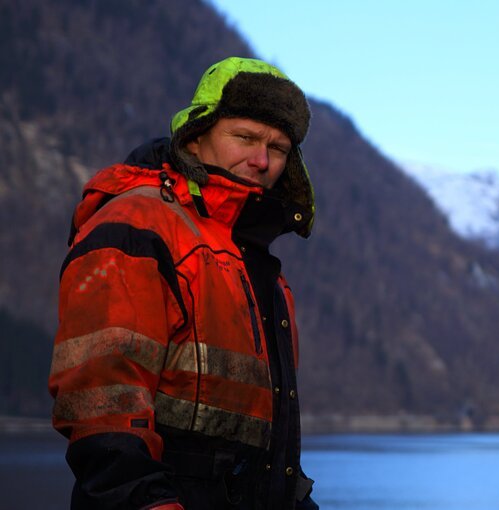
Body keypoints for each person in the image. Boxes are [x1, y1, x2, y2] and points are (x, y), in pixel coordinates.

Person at [49, 57, 319, 509]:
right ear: (195, 138)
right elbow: (103, 407)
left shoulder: (260, 268)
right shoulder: (138, 226)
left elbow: (266, 453)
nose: (261, 160)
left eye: (278, 148)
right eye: (245, 137)